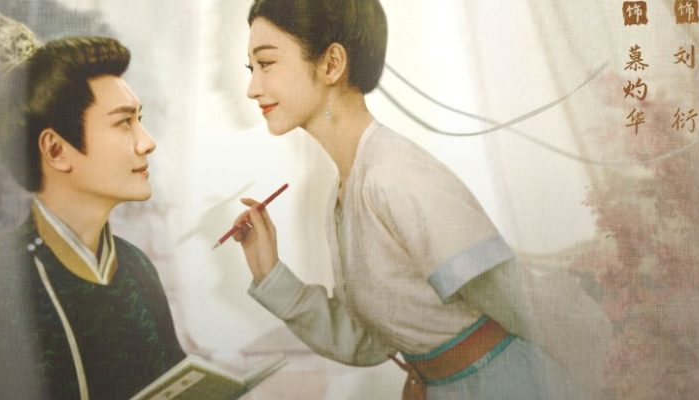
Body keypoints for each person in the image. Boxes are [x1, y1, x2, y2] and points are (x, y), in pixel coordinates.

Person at [233, 0, 580, 399]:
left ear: (332, 63)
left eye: (266, 64)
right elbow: (370, 342)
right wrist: (269, 272)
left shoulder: (395, 176)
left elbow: (522, 305)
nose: (252, 88)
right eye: (251, 68)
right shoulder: (345, 192)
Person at [0, 13, 185, 399]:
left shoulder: (137, 269)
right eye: (124, 123)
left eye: (140, 120)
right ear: (55, 149)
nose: (146, 141)